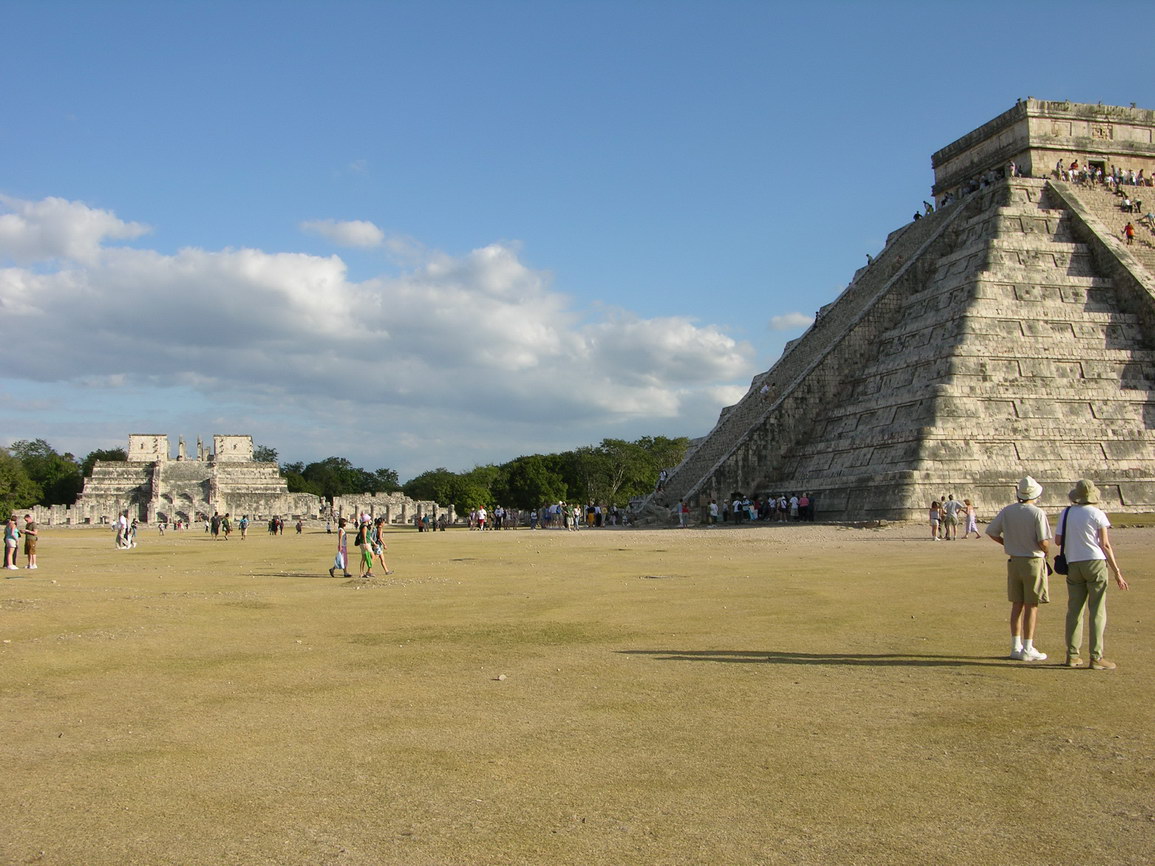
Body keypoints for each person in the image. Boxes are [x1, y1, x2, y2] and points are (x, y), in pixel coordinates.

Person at [1055, 480, 1129, 670]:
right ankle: (1096, 656)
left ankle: (1072, 655)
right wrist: (1117, 572)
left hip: (1073, 563)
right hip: (1095, 562)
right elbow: (1105, 544)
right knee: (1097, 611)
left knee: (1074, 611)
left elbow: (1058, 540)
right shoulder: (1097, 514)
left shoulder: (1067, 513)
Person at [986, 476, 1052, 661]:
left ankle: (1016, 647)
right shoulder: (1037, 513)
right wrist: (1047, 551)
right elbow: (1043, 541)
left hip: (1014, 561)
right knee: (1032, 605)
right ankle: (1028, 648)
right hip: (1033, 561)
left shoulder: (1007, 511)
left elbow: (991, 531)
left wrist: (1008, 543)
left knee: (1017, 604)